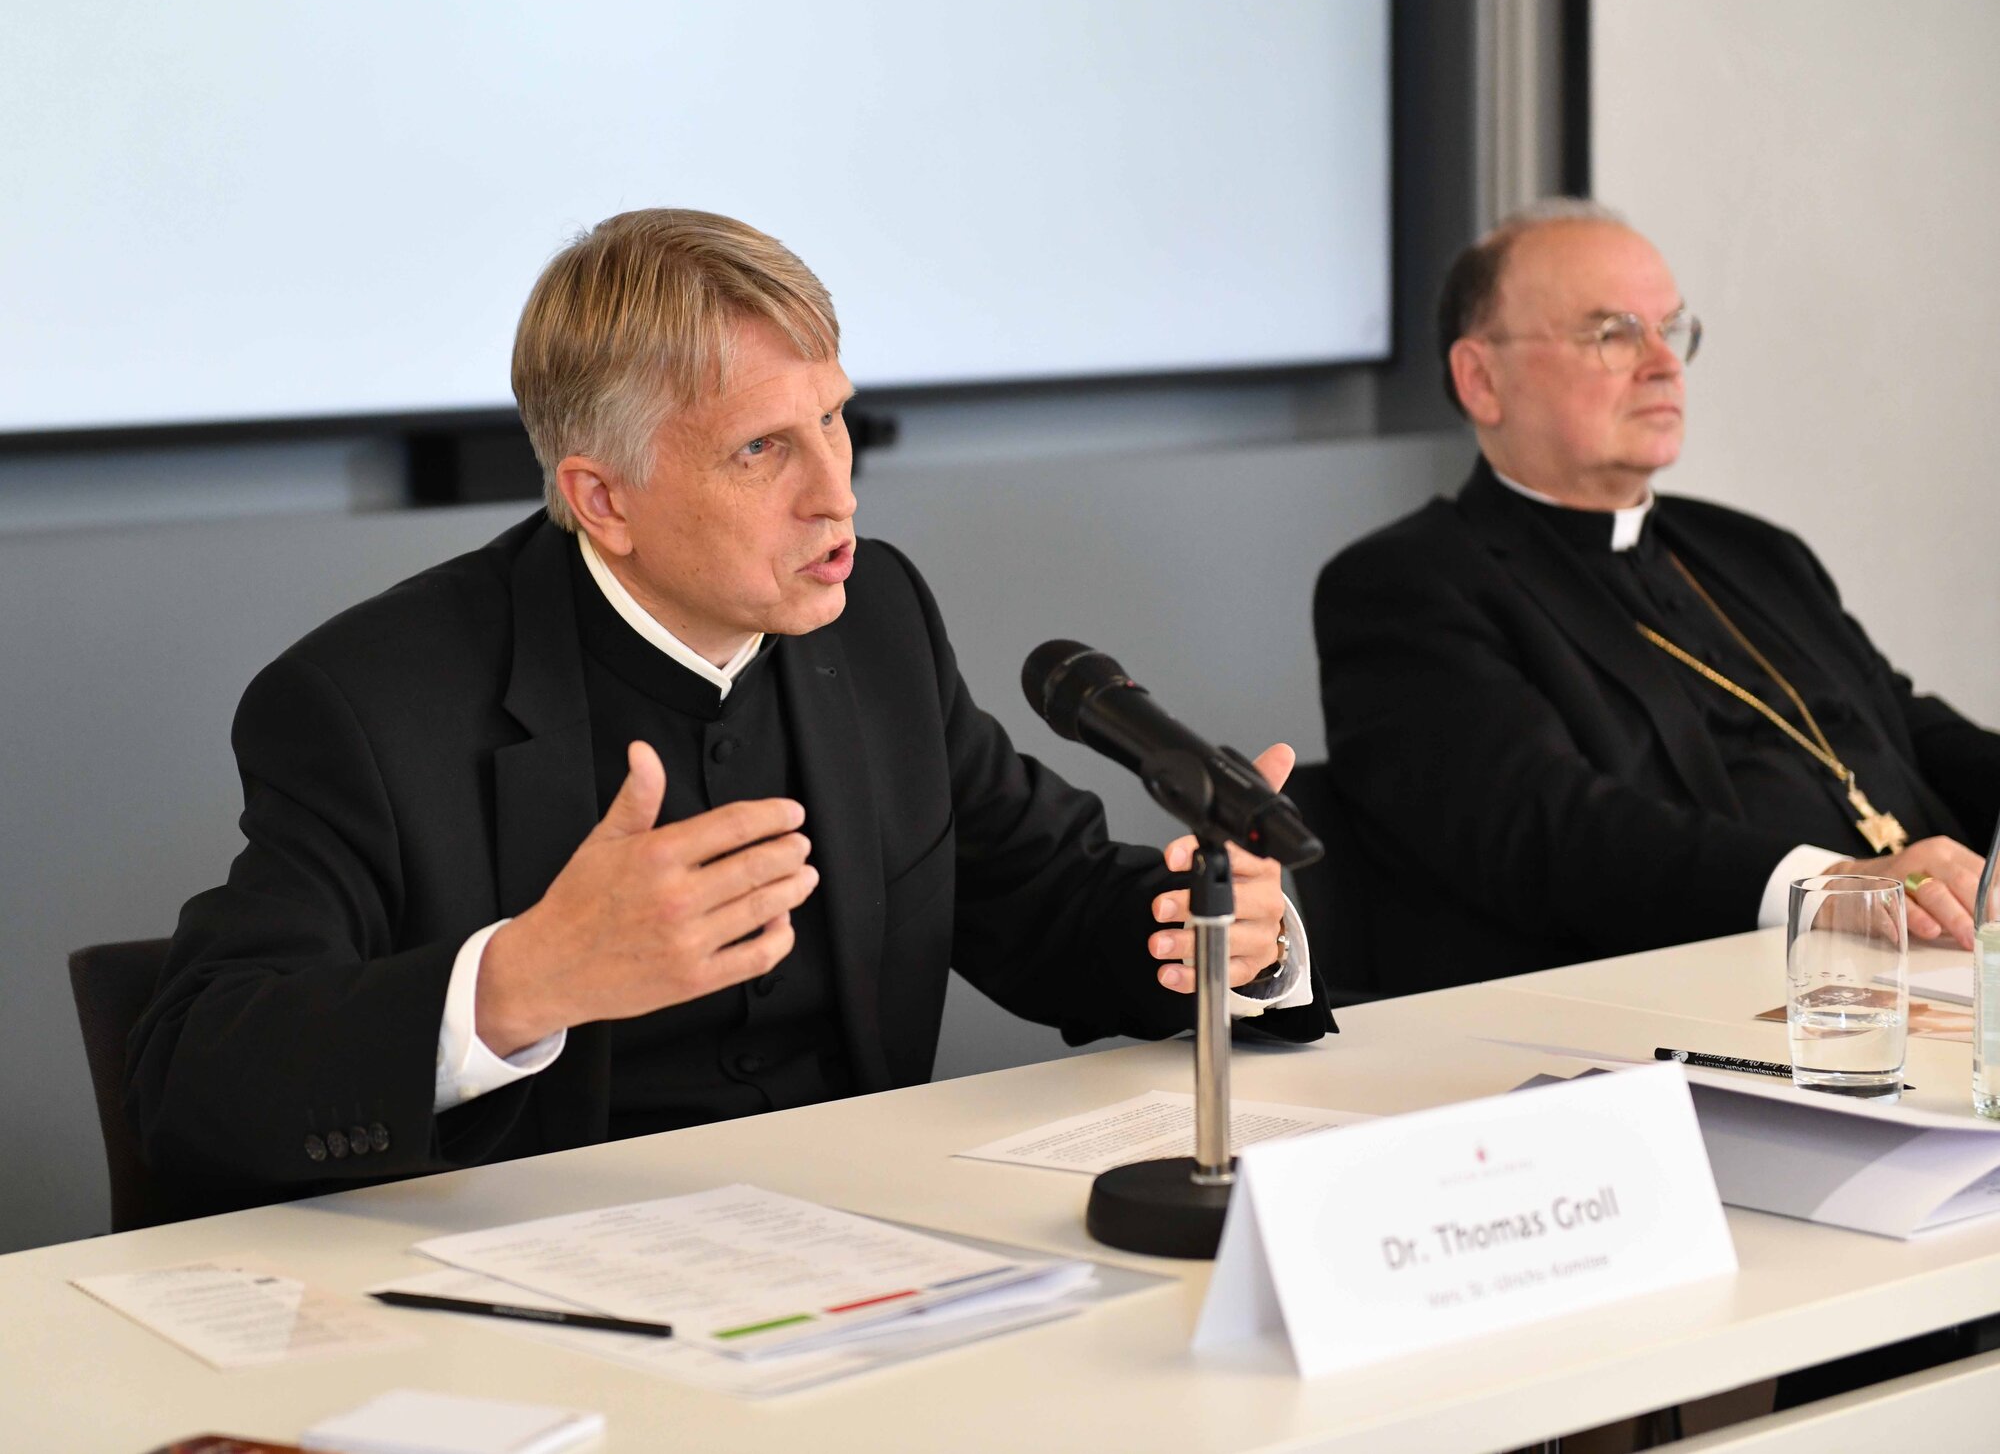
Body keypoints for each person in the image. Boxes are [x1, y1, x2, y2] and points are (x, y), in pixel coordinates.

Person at [126, 209, 1327, 1214]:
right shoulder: (369, 700)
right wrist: (521, 980)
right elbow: (192, 1080)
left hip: (864, 1257)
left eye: (833, 419)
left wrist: (1213, 929)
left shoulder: (874, 619)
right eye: (761, 449)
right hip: (539, 1305)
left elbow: (1048, 898)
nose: (835, 492)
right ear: (602, 496)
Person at [1312, 199, 2000, 994]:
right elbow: (1551, 832)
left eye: (1669, 330)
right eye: (1613, 334)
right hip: (1687, 1015)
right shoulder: (1407, 585)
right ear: (1482, 379)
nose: (1664, 364)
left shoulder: (1754, 551)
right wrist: (1833, 887)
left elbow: (1906, 725)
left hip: (1934, 966)